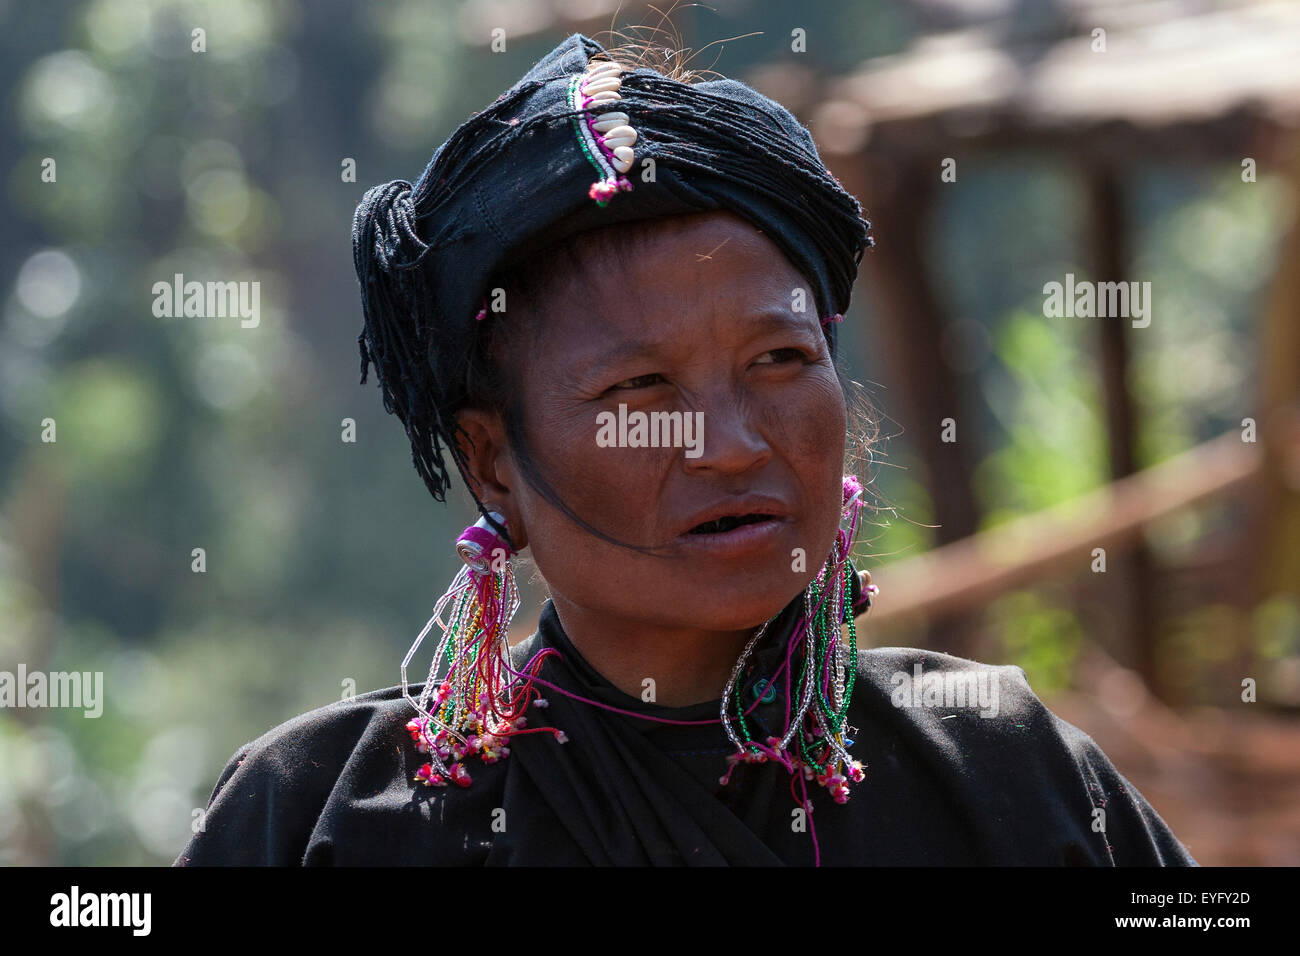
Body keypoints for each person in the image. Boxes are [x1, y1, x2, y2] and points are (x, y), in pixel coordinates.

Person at [174, 33, 1196, 867]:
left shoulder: (1002, 774)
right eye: (639, 388)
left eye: (780, 359)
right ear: (492, 463)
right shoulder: (320, 816)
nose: (730, 442)